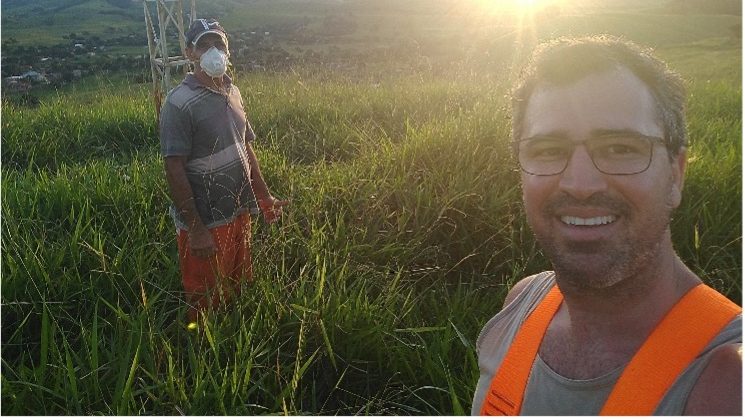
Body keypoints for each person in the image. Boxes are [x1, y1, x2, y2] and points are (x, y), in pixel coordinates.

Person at [472, 36, 741, 416]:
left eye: (620, 148)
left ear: (676, 176)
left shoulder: (728, 379)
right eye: (548, 150)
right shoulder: (521, 305)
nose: (580, 185)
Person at [159, 18, 288, 324]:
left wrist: (264, 196)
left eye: (219, 44)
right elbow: (173, 166)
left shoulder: (234, 93)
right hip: (207, 220)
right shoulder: (178, 104)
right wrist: (197, 229)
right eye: (204, 45)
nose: (213, 51)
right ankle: (202, 356)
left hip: (239, 210)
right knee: (205, 297)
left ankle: (233, 343)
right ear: (190, 53)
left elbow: (246, 147)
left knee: (237, 286)